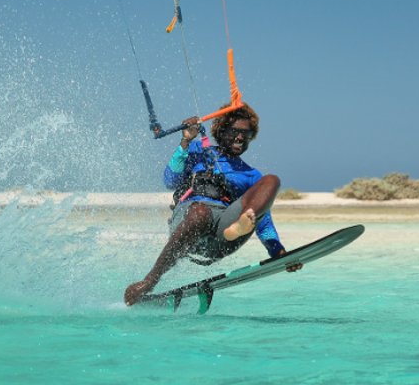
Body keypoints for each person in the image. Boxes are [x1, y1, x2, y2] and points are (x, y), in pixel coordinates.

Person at [124, 102, 302, 306]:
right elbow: (170, 180)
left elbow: (263, 222)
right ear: (221, 130)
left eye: (247, 133)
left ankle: (235, 229)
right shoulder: (197, 150)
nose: (241, 137)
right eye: (235, 131)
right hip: (188, 224)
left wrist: (278, 252)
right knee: (200, 213)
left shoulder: (250, 175)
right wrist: (185, 141)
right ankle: (149, 281)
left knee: (272, 180)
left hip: (223, 235)